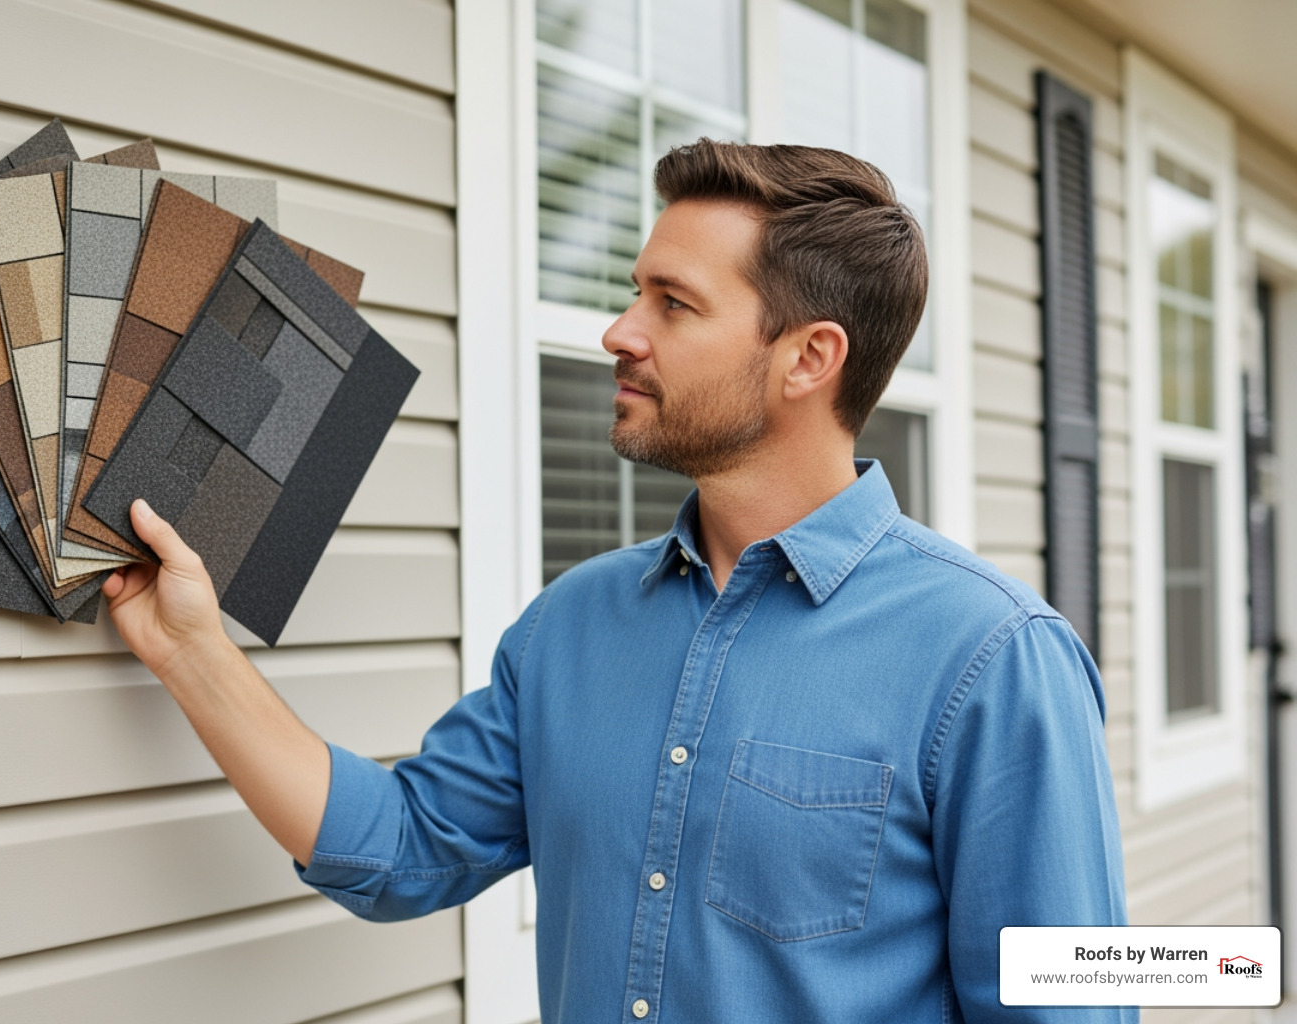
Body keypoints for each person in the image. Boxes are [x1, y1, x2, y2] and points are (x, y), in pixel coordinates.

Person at [104, 141, 1132, 1022]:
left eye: (673, 303)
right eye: (637, 290)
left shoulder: (994, 661)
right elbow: (399, 847)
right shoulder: (571, 627)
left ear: (809, 358)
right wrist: (193, 649)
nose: (620, 330)